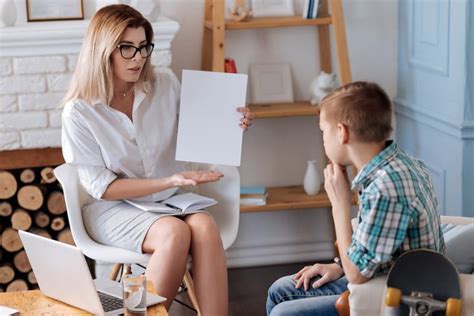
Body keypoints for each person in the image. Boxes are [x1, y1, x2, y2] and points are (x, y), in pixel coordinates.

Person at [61, 4, 253, 315]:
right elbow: (103, 188)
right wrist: (171, 180)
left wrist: (233, 125)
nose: (138, 57)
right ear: (102, 50)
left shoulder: (163, 83)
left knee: (204, 227)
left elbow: (200, 136)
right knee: (174, 233)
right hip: (112, 208)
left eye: (143, 47)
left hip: (169, 200)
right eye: (126, 48)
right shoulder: (80, 112)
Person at [266, 81, 445, 316]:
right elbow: (382, 245)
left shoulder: (385, 188)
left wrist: (340, 205)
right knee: (280, 290)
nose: (323, 140)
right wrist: (339, 266)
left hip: (401, 296)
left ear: (342, 132)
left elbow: (357, 275)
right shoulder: (395, 164)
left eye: (323, 131)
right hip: (384, 275)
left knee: (283, 313)